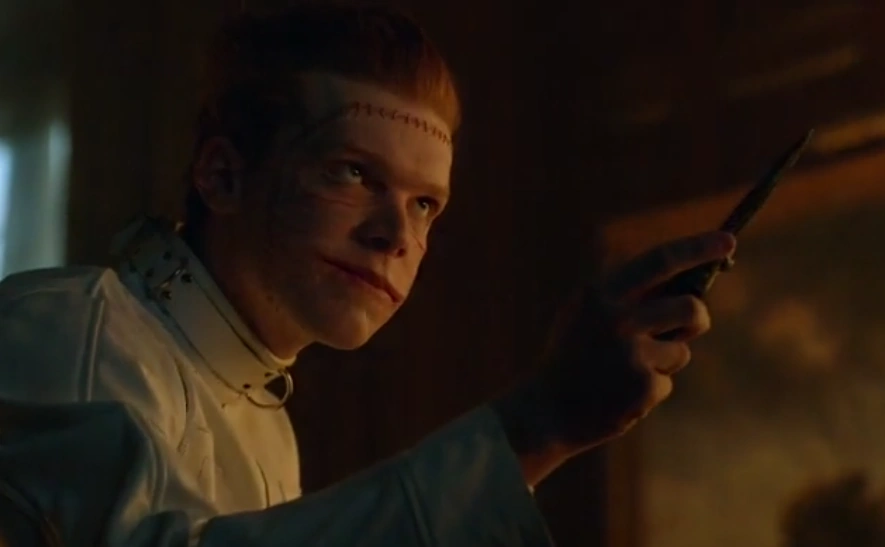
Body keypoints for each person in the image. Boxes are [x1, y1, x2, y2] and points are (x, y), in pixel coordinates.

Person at [0, 3, 736, 546]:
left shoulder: (266, 428)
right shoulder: (69, 326)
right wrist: (534, 425)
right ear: (223, 175)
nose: (397, 236)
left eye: (425, 205)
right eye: (352, 172)